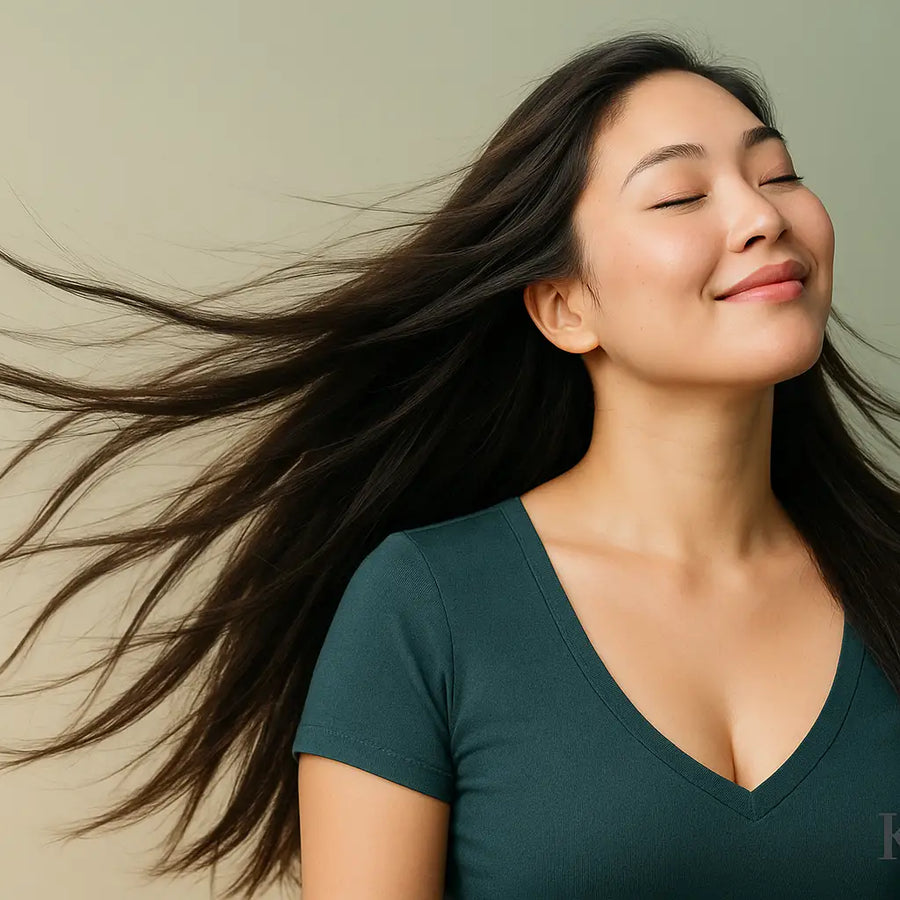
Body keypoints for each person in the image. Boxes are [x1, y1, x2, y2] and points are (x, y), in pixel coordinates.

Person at [0, 28, 897, 900]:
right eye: (679, 197)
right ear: (564, 308)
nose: (762, 215)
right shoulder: (426, 607)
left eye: (776, 173)